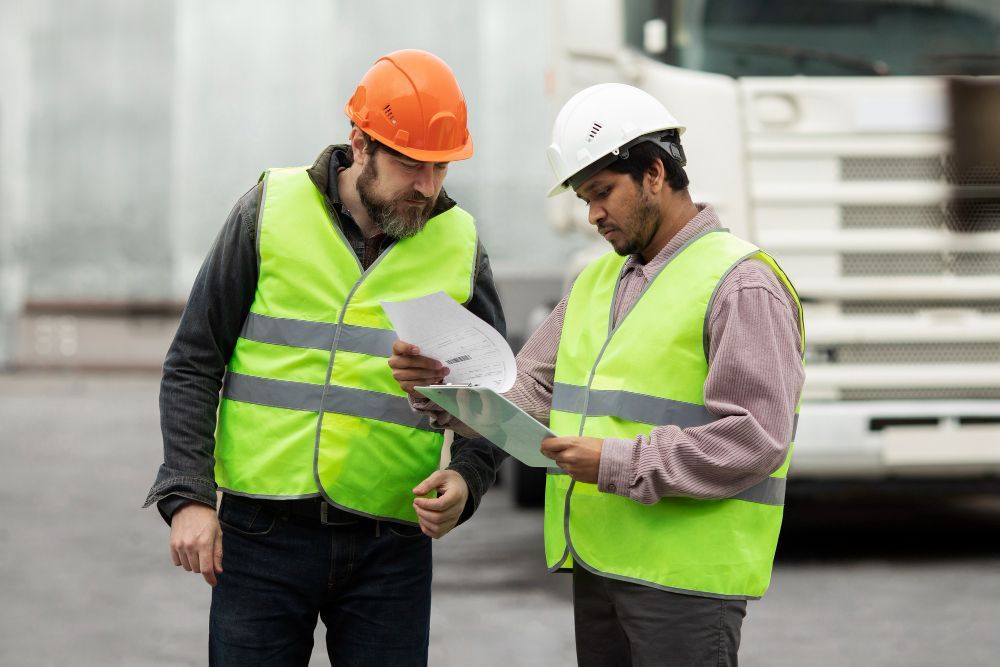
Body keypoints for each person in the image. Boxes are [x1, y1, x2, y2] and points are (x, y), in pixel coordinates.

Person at [389, 82, 805, 666]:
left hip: (686, 581)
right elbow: (527, 392)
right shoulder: (594, 282)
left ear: (655, 173)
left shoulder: (741, 282)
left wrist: (612, 462)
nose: (594, 215)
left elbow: (754, 439)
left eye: (603, 192)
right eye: (586, 198)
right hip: (602, 568)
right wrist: (439, 388)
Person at [143, 49, 506, 666]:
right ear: (359, 143)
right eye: (409, 164)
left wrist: (468, 478)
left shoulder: (459, 241)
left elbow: (496, 394)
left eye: (440, 167)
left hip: (392, 542)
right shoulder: (270, 210)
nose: (427, 186)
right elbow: (194, 359)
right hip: (261, 537)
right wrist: (189, 495)